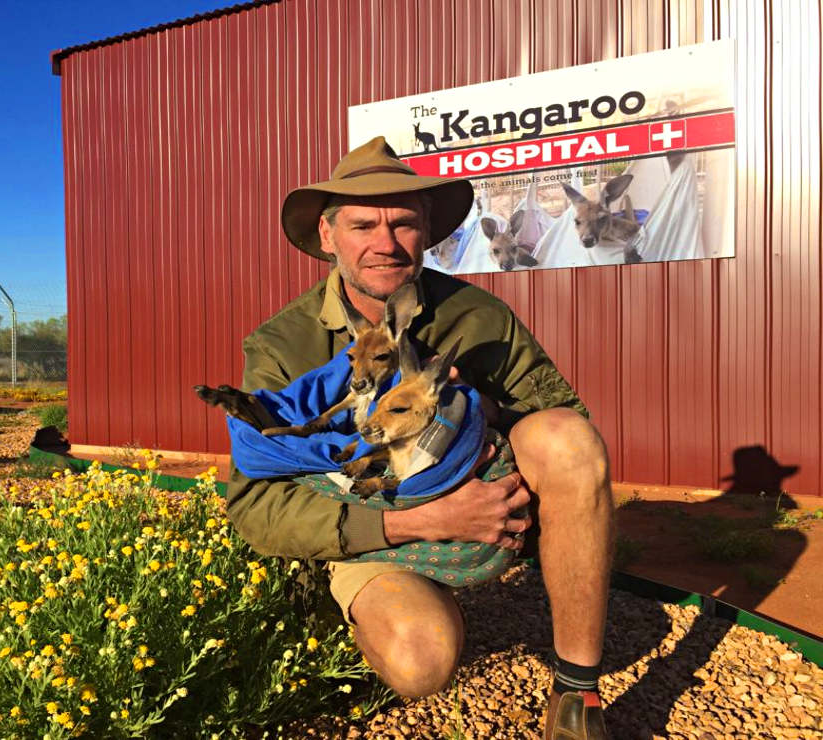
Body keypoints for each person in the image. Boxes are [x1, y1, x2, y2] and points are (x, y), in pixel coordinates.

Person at [225, 136, 613, 739]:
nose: (385, 243)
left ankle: (576, 695)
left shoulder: (478, 316)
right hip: (374, 524)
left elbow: (562, 417)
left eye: (403, 223)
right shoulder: (281, 346)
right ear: (328, 236)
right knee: (420, 659)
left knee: (569, 443)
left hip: (486, 496)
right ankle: (369, 596)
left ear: (427, 230)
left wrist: (477, 407)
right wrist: (425, 520)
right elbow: (253, 505)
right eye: (362, 225)